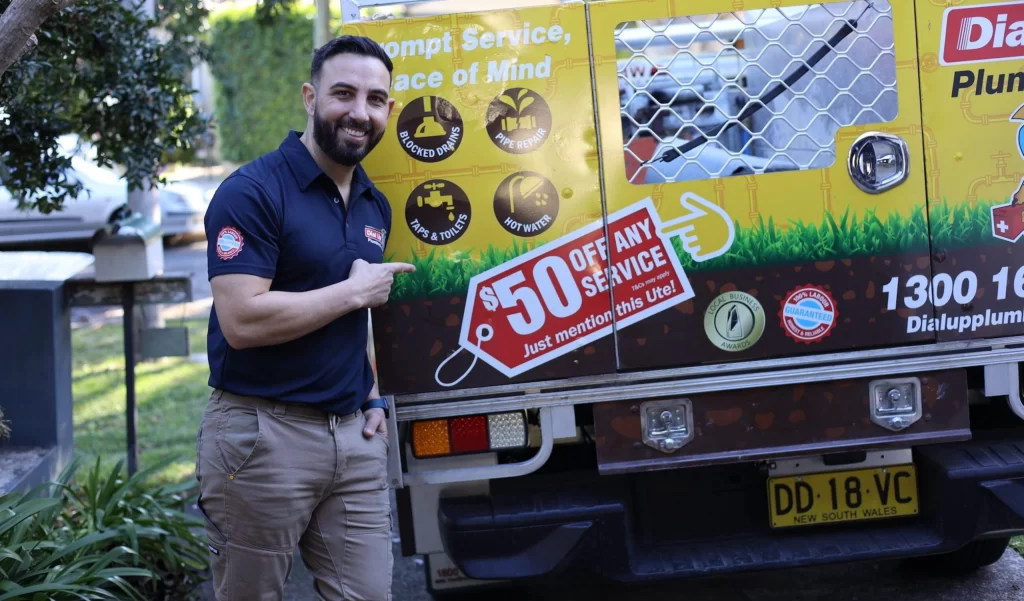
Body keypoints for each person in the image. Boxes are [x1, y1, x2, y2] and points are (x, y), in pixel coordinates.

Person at [194, 35, 414, 601]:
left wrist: (368, 392)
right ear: (310, 97)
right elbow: (242, 321)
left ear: (389, 110)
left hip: (354, 441)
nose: (359, 112)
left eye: (375, 99)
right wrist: (352, 292)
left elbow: (345, 323)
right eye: (344, 93)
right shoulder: (252, 192)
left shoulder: (372, 204)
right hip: (262, 439)